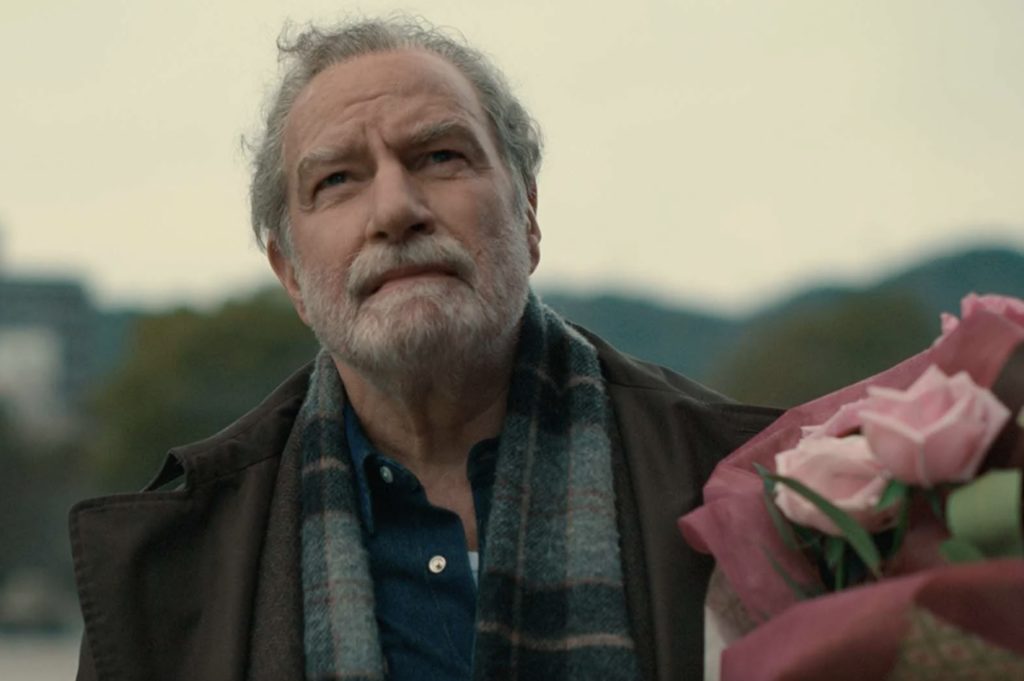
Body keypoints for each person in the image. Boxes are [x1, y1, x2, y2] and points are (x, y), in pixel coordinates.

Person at [69, 16, 779, 681]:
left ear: (528, 216)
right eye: (337, 180)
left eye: (440, 156)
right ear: (291, 275)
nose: (395, 210)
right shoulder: (167, 574)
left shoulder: (761, 489)